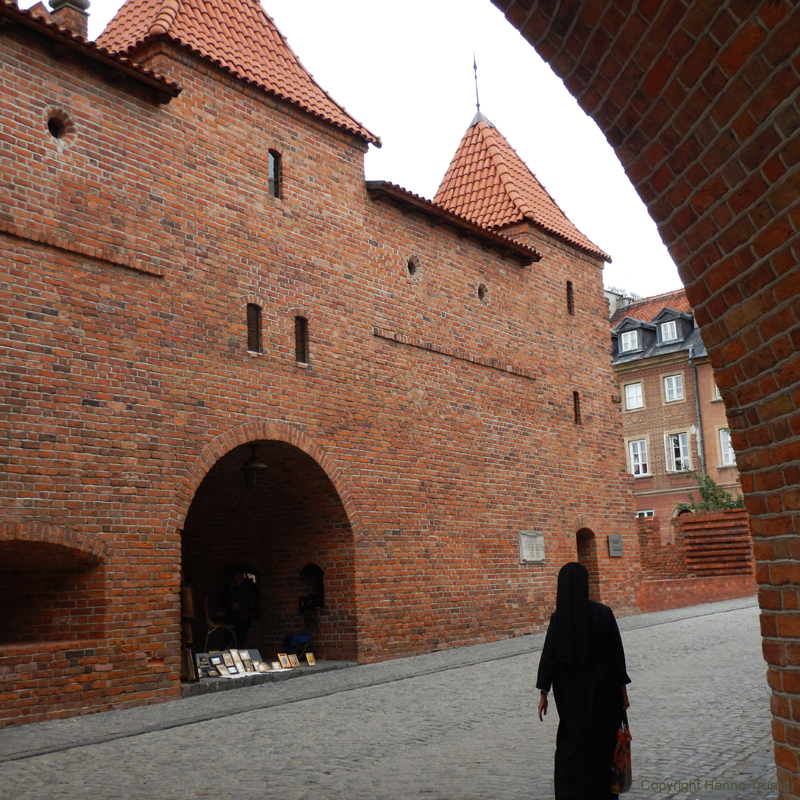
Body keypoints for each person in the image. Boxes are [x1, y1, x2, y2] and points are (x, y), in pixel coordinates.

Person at [536, 562, 631, 800]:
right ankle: (603, 790)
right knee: (602, 738)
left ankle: (572, 792)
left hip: (569, 692)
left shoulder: (559, 619)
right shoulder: (603, 613)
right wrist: (623, 693)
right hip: (603, 689)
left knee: (573, 741)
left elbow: (549, 657)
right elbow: (616, 656)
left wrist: (544, 692)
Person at [215, 571, 258, 649]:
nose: (237, 580)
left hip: (243, 615)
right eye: (235, 579)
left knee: (241, 634)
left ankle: (239, 649)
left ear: (243, 579)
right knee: (227, 634)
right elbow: (224, 601)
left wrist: (241, 607)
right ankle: (226, 648)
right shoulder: (231, 589)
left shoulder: (248, 589)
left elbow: (252, 603)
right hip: (232, 615)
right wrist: (231, 604)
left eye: (239, 578)